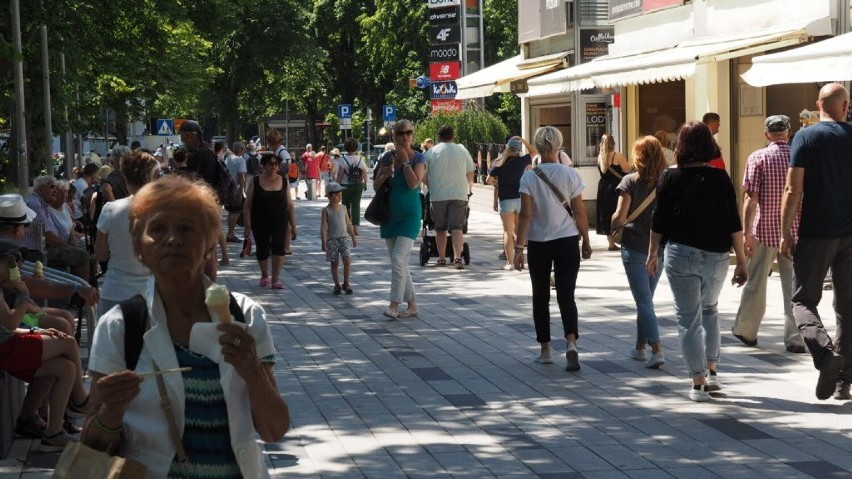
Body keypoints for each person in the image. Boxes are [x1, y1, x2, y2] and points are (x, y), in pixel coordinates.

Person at [82, 176, 290, 477]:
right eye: (157, 229)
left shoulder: (245, 316)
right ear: (139, 248)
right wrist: (110, 411)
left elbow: (274, 430)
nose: (172, 239)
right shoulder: (119, 327)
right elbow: (91, 446)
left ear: (209, 244)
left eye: (186, 228)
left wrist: (253, 371)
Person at [648, 121, 747, 402]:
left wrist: (652, 252)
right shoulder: (720, 178)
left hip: (681, 254)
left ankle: (698, 382)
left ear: (681, 146)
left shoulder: (669, 177)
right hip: (717, 256)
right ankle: (713, 371)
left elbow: (659, 220)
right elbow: (733, 222)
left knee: (688, 319)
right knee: (711, 309)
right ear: (709, 146)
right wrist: (741, 260)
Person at [780, 83, 852, 401]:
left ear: (817, 105)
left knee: (802, 301)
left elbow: (794, 189)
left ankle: (825, 356)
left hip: (816, 232)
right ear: (845, 106)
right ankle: (844, 382)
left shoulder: (805, 136)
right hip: (850, 234)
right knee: (847, 307)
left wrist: (785, 232)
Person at [0, 238, 90, 452]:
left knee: (65, 368)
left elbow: (8, 327)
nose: (17, 267)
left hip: (11, 342)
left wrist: (36, 330)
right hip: (7, 349)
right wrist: (23, 294)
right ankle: (80, 400)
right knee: (67, 343)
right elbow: (11, 322)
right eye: (11, 262)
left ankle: (53, 433)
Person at [513, 126, 592, 371]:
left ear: (537, 145)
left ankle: (545, 349)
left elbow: (526, 214)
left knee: (541, 296)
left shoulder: (529, 176)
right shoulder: (570, 175)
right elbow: (579, 212)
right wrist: (586, 240)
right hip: (567, 240)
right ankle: (571, 342)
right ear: (558, 146)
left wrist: (518, 248)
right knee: (566, 295)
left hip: (539, 242)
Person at [731, 115, 805, 353]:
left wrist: (746, 235)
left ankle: (747, 331)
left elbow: (751, 200)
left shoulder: (758, 157)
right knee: (794, 285)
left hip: (763, 230)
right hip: (795, 231)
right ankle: (795, 338)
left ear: (766, 135)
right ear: (789, 132)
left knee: (756, 281)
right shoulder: (800, 157)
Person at [611, 136, 668, 369]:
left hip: (634, 248)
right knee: (647, 300)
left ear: (639, 157)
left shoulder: (629, 182)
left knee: (644, 301)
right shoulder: (667, 181)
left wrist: (613, 224)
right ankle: (640, 347)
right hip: (659, 249)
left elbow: (620, 216)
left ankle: (657, 349)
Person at [373, 120, 427, 320]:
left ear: (413, 135)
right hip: (390, 216)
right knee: (400, 263)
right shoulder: (387, 157)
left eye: (409, 133)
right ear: (394, 136)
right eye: (401, 133)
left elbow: (414, 184)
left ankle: (394, 305)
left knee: (398, 259)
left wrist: (404, 162)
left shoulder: (418, 158)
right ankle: (412, 305)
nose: (405, 137)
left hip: (410, 216)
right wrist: (384, 174)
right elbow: (377, 186)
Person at [94, 151, 159, 314]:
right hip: (153, 295)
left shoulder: (110, 209)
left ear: (126, 178)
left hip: (115, 292)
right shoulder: (166, 212)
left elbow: (100, 254)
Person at [180, 120, 230, 273]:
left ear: (189, 135)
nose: (182, 141)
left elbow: (194, 180)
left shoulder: (202, 153)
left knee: (206, 248)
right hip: (206, 203)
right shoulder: (205, 150)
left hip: (202, 205)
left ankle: (207, 281)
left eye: (182, 137)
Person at [20, 176, 91, 283]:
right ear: (40, 188)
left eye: (56, 188)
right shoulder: (35, 204)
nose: (55, 191)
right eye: (52, 187)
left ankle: (77, 291)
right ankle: (82, 295)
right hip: (38, 253)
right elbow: (48, 236)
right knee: (82, 256)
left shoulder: (43, 204)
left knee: (81, 250)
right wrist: (68, 247)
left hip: (47, 248)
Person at [423, 125, 475, 269]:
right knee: (457, 227)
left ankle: (441, 258)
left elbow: (423, 174)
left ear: (439, 136)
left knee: (440, 228)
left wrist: (430, 185)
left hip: (438, 195)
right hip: (459, 194)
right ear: (454, 135)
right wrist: (468, 188)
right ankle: (458, 258)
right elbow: (470, 172)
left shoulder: (431, 152)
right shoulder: (462, 151)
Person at [243, 153, 296, 289]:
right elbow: (247, 205)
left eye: (275, 164)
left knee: (279, 249)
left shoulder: (284, 181)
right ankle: (265, 274)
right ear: (264, 165)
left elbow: (290, 205)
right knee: (262, 249)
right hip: (259, 220)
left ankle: (276, 279)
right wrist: (247, 225)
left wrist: (294, 226)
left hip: (280, 220)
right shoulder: (255, 181)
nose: (273, 166)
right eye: (270, 163)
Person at [487, 136, 537, 270]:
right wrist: (524, 140)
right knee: (519, 231)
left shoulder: (499, 163)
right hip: (520, 198)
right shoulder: (522, 161)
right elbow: (535, 152)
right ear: (519, 149)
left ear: (507, 148)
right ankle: (520, 258)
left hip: (505, 200)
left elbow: (489, 180)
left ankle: (509, 263)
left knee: (507, 232)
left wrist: (498, 183)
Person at [596, 133, 630, 251]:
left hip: (603, 188)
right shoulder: (617, 155)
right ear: (613, 143)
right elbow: (627, 169)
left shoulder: (600, 156)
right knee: (618, 212)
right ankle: (620, 238)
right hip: (615, 188)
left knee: (606, 213)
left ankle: (611, 243)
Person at [321, 182, 356, 295]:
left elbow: (348, 223)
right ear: (329, 196)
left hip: (344, 238)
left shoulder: (343, 208)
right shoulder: (326, 210)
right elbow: (323, 227)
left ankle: (346, 283)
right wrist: (324, 242)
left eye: (340, 194)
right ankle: (336, 284)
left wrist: (353, 237)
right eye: (336, 194)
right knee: (334, 262)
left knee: (347, 260)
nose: (340, 196)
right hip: (332, 240)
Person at [267, 128, 295, 254]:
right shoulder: (280, 151)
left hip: (282, 187)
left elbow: (285, 170)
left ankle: (286, 246)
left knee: (285, 216)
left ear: (271, 141)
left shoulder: (282, 153)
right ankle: (282, 245)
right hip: (280, 185)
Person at [336, 138, 367, 236]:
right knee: (356, 206)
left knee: (345, 206)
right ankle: (355, 228)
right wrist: (365, 183)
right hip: (358, 184)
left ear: (345, 147)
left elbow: (340, 175)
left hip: (345, 185)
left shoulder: (342, 159)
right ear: (356, 148)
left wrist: (337, 186)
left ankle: (348, 228)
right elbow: (364, 173)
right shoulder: (360, 159)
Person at [225, 141, 247, 242]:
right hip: (236, 189)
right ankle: (230, 234)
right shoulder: (240, 160)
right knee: (236, 211)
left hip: (228, 188)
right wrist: (240, 191)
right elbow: (241, 177)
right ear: (241, 150)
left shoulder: (228, 159)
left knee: (231, 211)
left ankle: (230, 232)